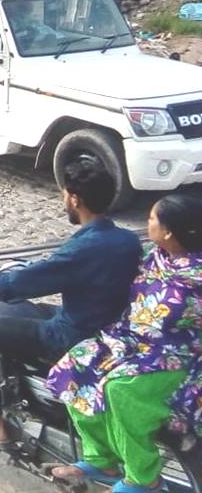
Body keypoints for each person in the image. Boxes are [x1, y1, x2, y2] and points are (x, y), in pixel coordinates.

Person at [0, 158, 142, 445]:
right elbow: (53, 269)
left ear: (75, 198)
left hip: (73, 334)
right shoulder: (128, 240)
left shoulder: (82, 248)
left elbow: (24, 282)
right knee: (32, 312)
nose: (63, 199)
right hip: (108, 325)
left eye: (64, 193)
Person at [46, 194, 202, 492]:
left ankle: (144, 478)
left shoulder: (195, 279)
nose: (147, 223)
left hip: (176, 357)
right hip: (130, 342)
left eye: (152, 219)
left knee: (120, 391)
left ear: (169, 231)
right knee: (74, 366)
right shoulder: (157, 257)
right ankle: (101, 458)